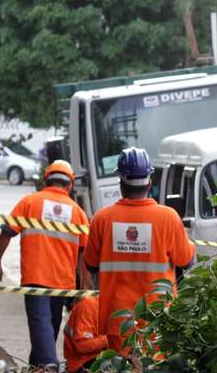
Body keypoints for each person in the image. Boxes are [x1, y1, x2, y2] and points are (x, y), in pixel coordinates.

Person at [84, 148, 196, 354]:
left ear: (121, 183)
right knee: (156, 372)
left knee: (124, 372)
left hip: (119, 320)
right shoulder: (168, 218)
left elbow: (90, 264)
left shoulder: (101, 219)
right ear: (149, 183)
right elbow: (186, 261)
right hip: (158, 319)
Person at [0, 160, 89, 367]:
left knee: (42, 327)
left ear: (46, 180)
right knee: (47, 328)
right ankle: (44, 367)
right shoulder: (77, 212)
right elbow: (84, 254)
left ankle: (46, 368)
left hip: (36, 278)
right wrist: (84, 285)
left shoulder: (30, 202)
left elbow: (7, 232)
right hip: (63, 283)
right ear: (70, 184)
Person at [62, 295, 106, 373]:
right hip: (82, 362)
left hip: (95, 359)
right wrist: (110, 339)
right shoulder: (88, 306)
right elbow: (82, 346)